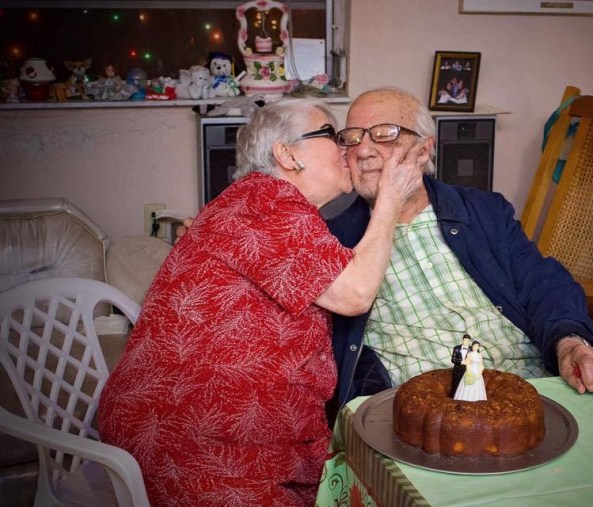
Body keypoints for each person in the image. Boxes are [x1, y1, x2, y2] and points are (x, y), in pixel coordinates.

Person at [97, 98, 423, 506]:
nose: (347, 149)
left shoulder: (258, 204)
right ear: (286, 154)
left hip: (194, 430)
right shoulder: (266, 201)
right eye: (330, 135)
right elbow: (355, 294)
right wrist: (391, 199)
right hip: (197, 444)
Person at [327, 87, 593, 420]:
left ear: (424, 149)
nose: (363, 149)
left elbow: (543, 284)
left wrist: (570, 342)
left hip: (525, 384)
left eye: (384, 134)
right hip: (426, 412)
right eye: (351, 137)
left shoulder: (483, 212)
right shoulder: (330, 236)